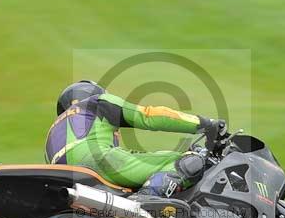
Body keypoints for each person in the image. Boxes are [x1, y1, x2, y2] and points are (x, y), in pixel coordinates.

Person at [45, 80, 226, 196]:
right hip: (96, 161)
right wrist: (206, 124)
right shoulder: (98, 102)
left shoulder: (52, 134)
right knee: (186, 160)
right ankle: (147, 202)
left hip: (64, 180)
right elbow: (149, 116)